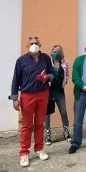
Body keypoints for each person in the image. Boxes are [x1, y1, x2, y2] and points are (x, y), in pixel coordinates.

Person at [10, 36, 54, 167]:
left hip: (43, 94)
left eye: (36, 43)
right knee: (27, 125)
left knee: (40, 123)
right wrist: (14, 98)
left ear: (40, 44)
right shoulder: (21, 60)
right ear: (27, 46)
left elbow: (53, 73)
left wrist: (47, 77)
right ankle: (24, 153)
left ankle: (39, 149)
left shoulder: (46, 58)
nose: (34, 45)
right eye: (31, 43)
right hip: (27, 95)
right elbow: (15, 79)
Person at [44, 45, 71, 146]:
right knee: (47, 114)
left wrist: (65, 81)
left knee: (63, 112)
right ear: (51, 52)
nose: (57, 53)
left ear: (61, 53)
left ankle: (66, 134)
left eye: (59, 51)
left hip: (59, 91)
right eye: (55, 51)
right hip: (49, 91)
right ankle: (47, 136)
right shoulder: (47, 62)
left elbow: (67, 74)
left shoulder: (65, 63)